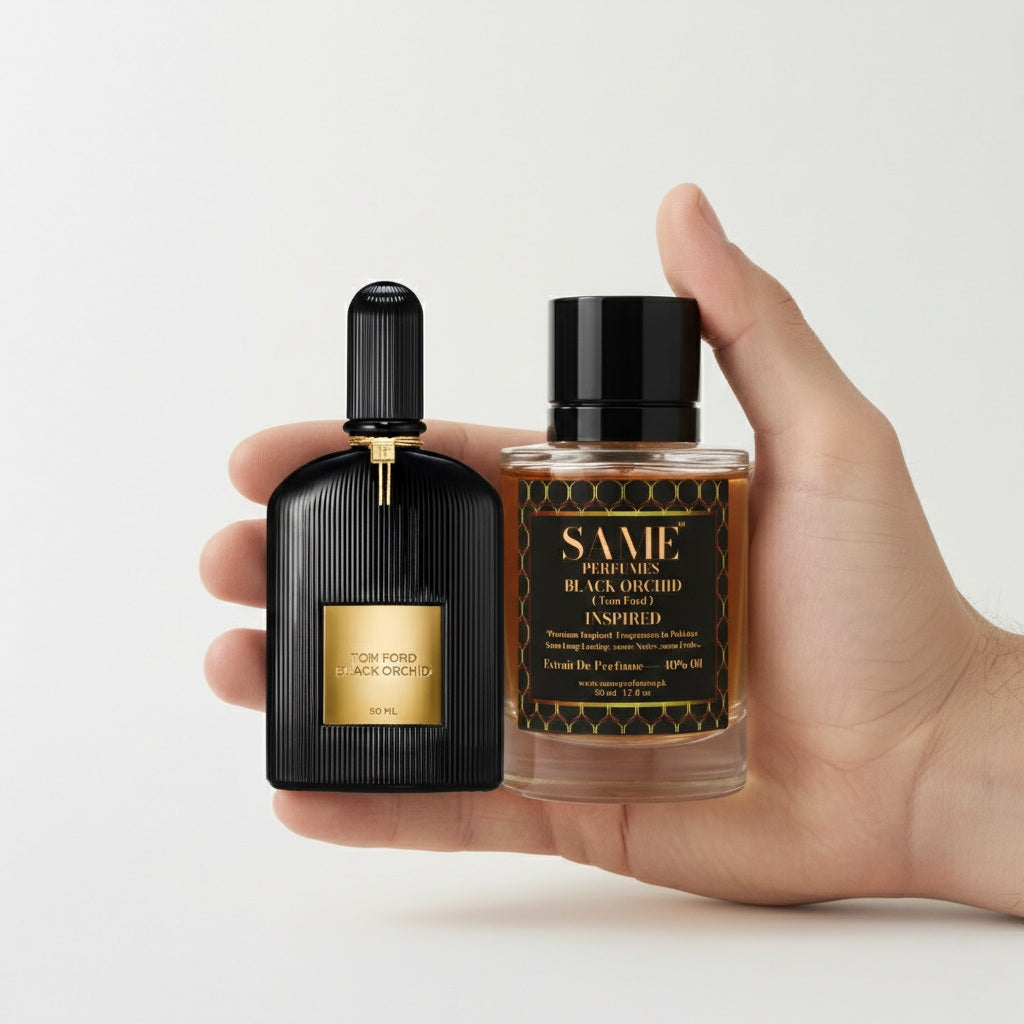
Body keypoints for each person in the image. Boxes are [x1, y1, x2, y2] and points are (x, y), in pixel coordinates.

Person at [200, 184, 1023, 917]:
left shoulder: (708, 475)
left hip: (702, 745)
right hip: (551, 738)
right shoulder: (535, 474)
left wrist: (929, 732)